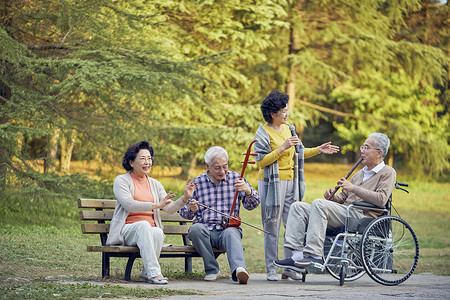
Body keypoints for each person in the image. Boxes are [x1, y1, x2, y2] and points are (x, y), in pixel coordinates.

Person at [274, 132, 396, 272]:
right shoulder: (359, 174)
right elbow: (344, 198)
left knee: (319, 204)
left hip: (363, 216)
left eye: (366, 147)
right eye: (362, 147)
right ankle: (297, 256)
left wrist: (353, 188)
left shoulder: (388, 172)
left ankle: (315, 255)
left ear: (379, 153)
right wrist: (333, 198)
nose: (362, 151)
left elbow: (381, 199)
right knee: (297, 207)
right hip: (346, 212)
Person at [254, 90, 340, 281]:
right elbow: (261, 161)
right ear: (273, 113)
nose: (287, 114)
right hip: (271, 185)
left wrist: (318, 150)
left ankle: (288, 267)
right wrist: (282, 148)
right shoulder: (262, 132)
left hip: (291, 183)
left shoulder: (289, 129)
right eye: (283, 111)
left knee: (292, 225)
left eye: (287, 110)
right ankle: (271, 268)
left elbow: (299, 153)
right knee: (272, 227)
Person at [106, 141, 197, 284]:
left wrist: (185, 198)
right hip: (127, 230)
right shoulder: (122, 181)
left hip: (148, 231)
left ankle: (146, 273)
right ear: (131, 162)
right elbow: (128, 205)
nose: (147, 162)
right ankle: (154, 273)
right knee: (143, 225)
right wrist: (155, 205)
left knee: (157, 232)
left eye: (149, 158)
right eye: (142, 158)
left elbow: (169, 208)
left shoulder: (155, 184)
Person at [179, 146, 260, 284]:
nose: (222, 171)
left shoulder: (237, 178)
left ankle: (239, 269)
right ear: (207, 166)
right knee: (195, 229)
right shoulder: (197, 183)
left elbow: (252, 205)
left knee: (231, 232)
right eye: (217, 168)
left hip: (227, 231)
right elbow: (184, 214)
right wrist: (192, 208)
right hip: (206, 233)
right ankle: (212, 270)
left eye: (225, 166)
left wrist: (248, 191)